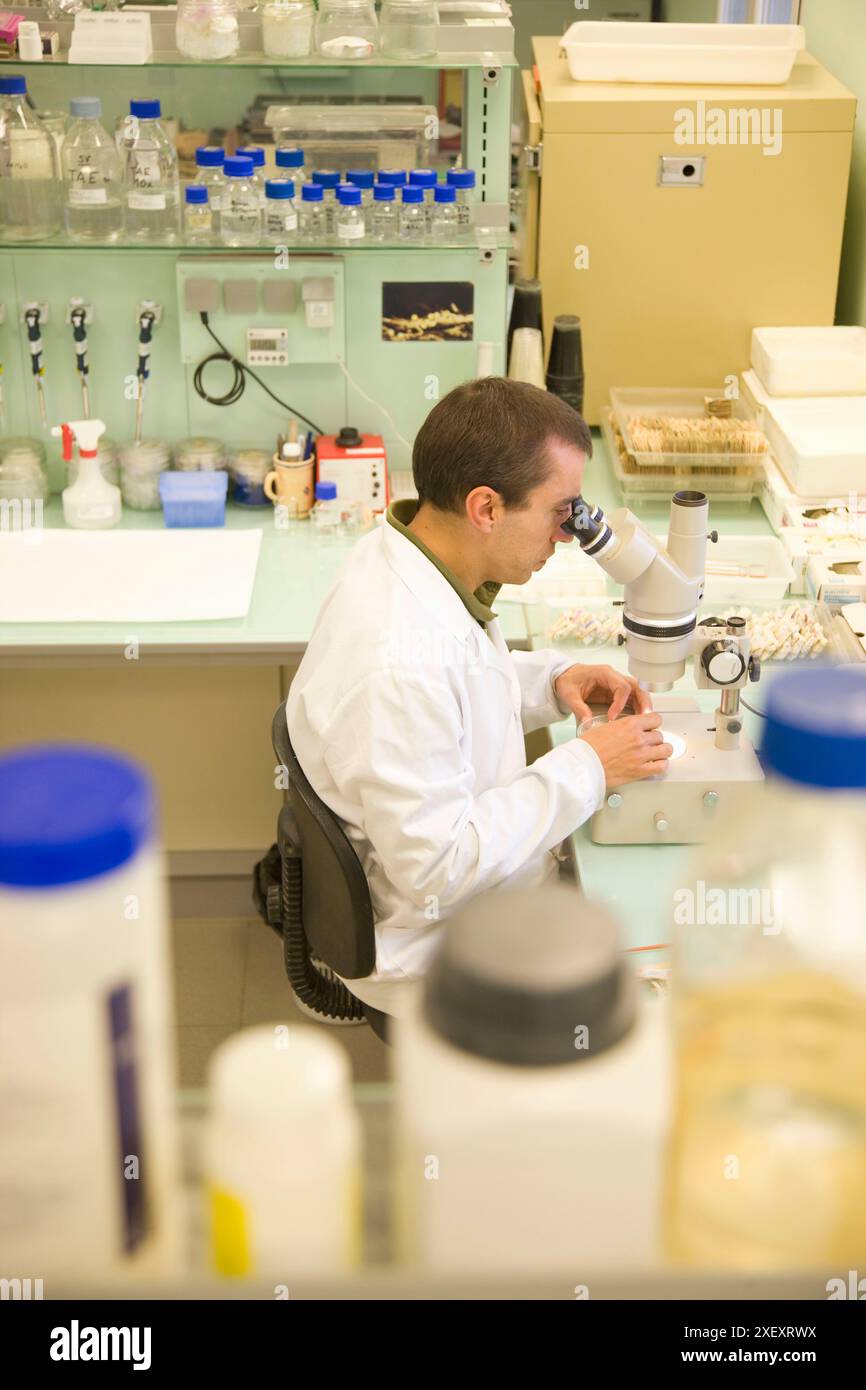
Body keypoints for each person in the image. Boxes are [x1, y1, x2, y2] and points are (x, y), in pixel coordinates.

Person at [286, 378, 671, 1017]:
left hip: (456, 885)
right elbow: (438, 868)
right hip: (437, 942)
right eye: (560, 512)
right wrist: (590, 767)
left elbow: (455, 681)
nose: (569, 536)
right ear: (487, 508)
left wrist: (550, 682)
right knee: (656, 973)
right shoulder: (394, 664)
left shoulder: (409, 553)